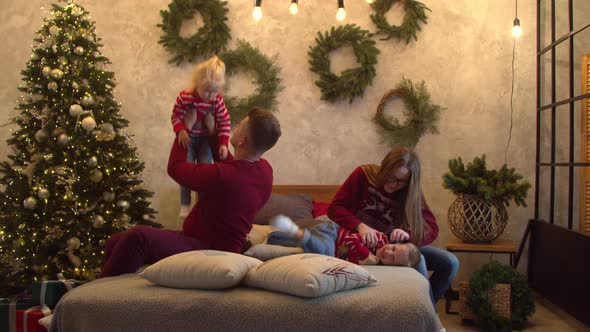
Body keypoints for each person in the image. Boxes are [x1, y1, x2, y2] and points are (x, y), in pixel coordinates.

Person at [99, 107, 281, 278]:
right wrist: (212, 135)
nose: (236, 125)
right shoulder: (264, 172)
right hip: (211, 243)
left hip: (209, 251)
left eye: (241, 124)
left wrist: (184, 129)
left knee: (137, 237)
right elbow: (234, 169)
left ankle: (99, 299)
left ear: (242, 141)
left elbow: (176, 168)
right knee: (116, 241)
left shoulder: (225, 176)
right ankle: (100, 287)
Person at [327, 147, 459, 304]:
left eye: (400, 181)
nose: (393, 184)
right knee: (421, 261)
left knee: (450, 262)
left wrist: (406, 235)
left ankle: (428, 310)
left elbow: (432, 229)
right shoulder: (364, 174)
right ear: (383, 168)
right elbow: (334, 208)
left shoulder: (411, 192)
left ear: (410, 181)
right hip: (358, 242)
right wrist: (360, 226)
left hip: (392, 247)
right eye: (390, 177)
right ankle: (427, 314)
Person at [171, 56, 231, 220]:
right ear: (197, 84)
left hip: (205, 140)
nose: (210, 96)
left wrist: (224, 143)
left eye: (215, 91)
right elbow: (176, 116)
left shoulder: (216, 100)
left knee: (205, 171)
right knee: (186, 168)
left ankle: (203, 204)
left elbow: (224, 121)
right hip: (188, 140)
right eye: (206, 91)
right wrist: (181, 130)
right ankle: (185, 203)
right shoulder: (186, 97)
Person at [269, 215, 420, 267]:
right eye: (393, 248)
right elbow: (349, 238)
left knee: (313, 249)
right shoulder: (379, 239)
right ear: (393, 242)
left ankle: (274, 237)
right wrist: (365, 254)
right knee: (325, 253)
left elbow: (347, 260)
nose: (387, 251)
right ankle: (295, 231)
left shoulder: (375, 263)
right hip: (332, 232)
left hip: (327, 243)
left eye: (392, 258)